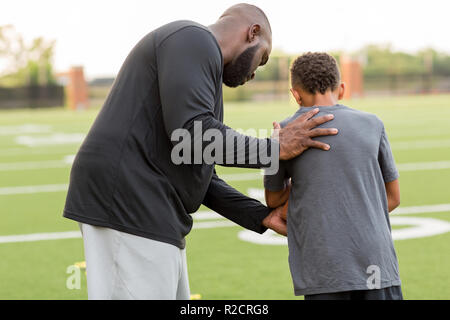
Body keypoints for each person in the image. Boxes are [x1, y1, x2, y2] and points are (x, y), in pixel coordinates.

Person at [63, 4, 338, 299]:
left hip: (148, 208)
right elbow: (194, 138)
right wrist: (275, 148)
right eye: (263, 57)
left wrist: (260, 216)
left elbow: (199, 170)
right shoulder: (192, 39)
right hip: (129, 204)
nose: (256, 72)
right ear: (252, 32)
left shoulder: (200, 61)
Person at [264, 52, 403, 300]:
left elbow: (273, 200)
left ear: (295, 94)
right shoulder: (373, 123)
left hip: (324, 268)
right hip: (376, 262)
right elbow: (392, 198)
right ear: (342, 88)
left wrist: (310, 192)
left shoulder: (283, 132)